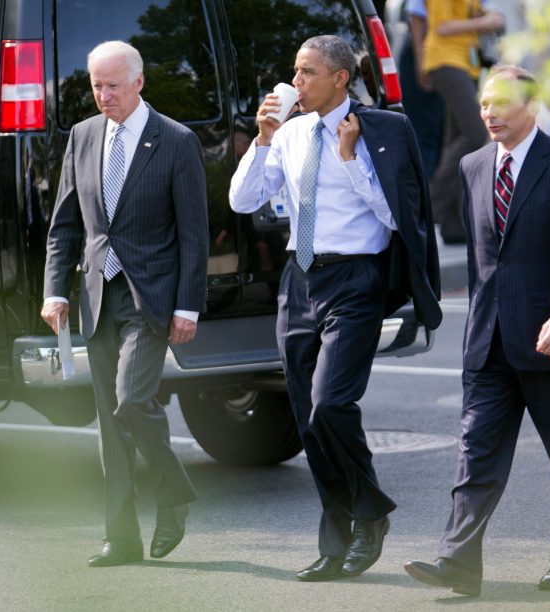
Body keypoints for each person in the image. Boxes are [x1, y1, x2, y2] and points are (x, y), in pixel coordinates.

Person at [229, 35, 441, 582]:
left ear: (340, 78)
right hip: (298, 281)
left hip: (355, 279)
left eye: (307, 73)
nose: (295, 83)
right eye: (295, 73)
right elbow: (243, 201)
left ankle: (369, 516)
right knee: (307, 420)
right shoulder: (292, 132)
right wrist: (261, 139)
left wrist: (350, 160)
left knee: (329, 405)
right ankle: (339, 532)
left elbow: (400, 218)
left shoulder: (383, 131)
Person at [405, 65, 550, 596]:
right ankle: (459, 562)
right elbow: (480, 261)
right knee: (476, 453)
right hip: (488, 340)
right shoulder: (472, 165)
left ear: (532, 107)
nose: (488, 112)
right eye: (484, 103)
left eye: (501, 104)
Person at [42, 40, 209, 567]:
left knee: (130, 401)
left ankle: (174, 494)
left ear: (139, 82)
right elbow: (64, 224)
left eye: (113, 85)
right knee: (110, 425)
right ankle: (121, 537)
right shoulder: (83, 136)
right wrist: (53, 290)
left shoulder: (176, 140)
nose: (103, 95)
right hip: (96, 295)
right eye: (96, 85)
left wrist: (189, 306)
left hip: (150, 297)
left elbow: (194, 234)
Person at [422, 0, 505, 243]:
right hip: (445, 61)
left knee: (457, 139)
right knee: (475, 132)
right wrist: (484, 21)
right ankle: (431, 203)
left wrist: (486, 17)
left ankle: (453, 224)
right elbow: (441, 27)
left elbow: (468, 17)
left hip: (465, 64)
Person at [398, 0, 445, 179]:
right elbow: (416, 15)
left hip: (452, 57)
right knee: (424, 131)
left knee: (442, 133)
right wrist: (421, 60)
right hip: (423, 51)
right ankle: (426, 197)